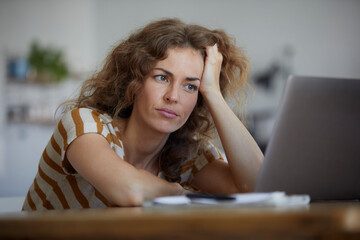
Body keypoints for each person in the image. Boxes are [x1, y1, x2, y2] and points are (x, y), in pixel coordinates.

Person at [22, 18, 263, 210]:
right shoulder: (85, 124)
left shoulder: (189, 155)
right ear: (134, 82)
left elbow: (258, 187)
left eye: (190, 86)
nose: (173, 96)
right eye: (161, 77)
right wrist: (180, 192)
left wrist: (213, 93)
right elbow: (129, 190)